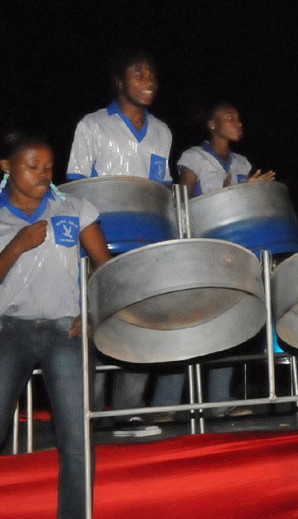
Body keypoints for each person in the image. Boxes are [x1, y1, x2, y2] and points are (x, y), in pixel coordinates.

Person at [0, 132, 112, 519]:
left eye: (48, 167)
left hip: (66, 330)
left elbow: (105, 266)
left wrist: (93, 311)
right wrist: (16, 245)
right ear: (6, 167)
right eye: (33, 167)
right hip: (7, 329)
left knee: (77, 437)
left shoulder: (75, 208)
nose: (43, 175)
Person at [67, 49, 172, 438]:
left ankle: (128, 413)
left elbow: (159, 189)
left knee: (139, 326)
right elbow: (75, 186)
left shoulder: (162, 131)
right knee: (93, 326)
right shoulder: (92, 125)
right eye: (139, 74)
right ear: (119, 81)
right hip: (100, 241)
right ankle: (86, 415)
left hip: (145, 243)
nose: (149, 81)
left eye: (153, 76)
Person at [152, 102, 275, 419]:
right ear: (212, 124)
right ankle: (165, 406)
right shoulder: (194, 156)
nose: (238, 121)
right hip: (198, 251)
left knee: (227, 326)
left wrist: (252, 195)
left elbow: (245, 209)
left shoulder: (243, 162)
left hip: (231, 254)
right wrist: (225, 195)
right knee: (188, 324)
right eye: (230, 117)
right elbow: (180, 201)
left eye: (239, 116)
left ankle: (221, 402)